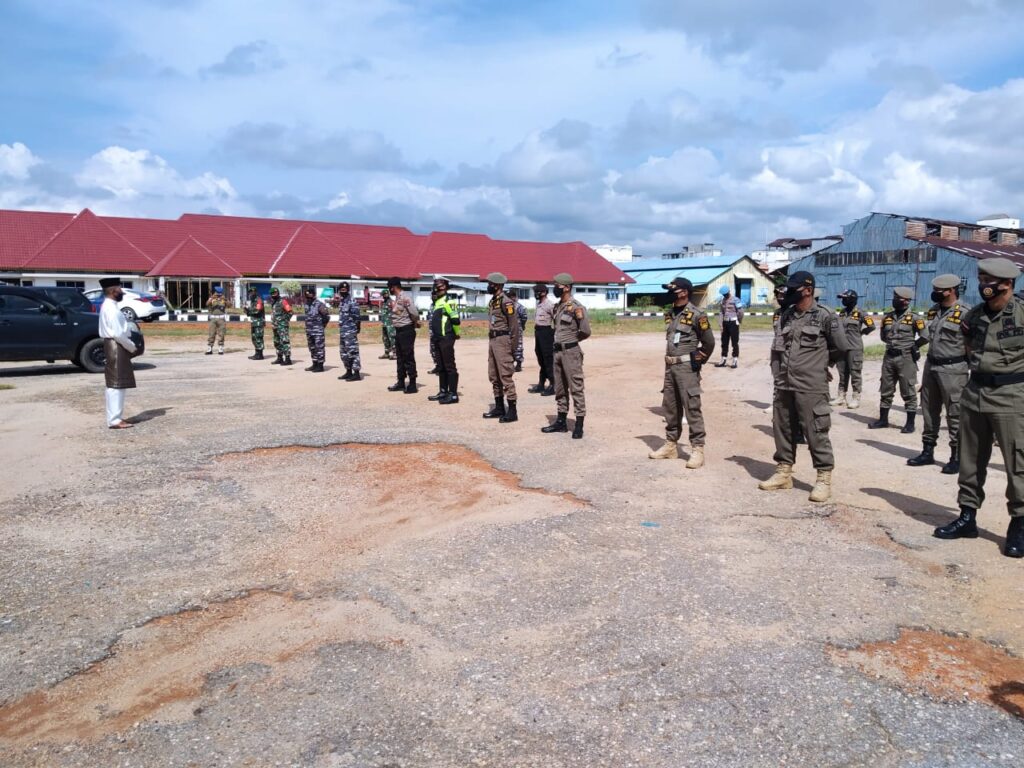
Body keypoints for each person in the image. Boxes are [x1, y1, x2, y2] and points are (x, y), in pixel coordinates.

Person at [934, 257, 1024, 558]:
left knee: (1018, 463)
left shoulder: (1022, 313)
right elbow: (969, 348)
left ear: (1007, 284)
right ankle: (967, 516)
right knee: (970, 459)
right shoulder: (973, 316)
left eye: (989, 281)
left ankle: (1019, 524)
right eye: (981, 280)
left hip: (1012, 395)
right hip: (975, 393)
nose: (983, 286)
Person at [759, 271, 848, 503]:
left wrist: (821, 365)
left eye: (793, 289)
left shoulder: (825, 315)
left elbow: (840, 347)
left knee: (816, 431)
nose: (787, 293)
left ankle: (823, 478)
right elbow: (779, 346)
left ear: (808, 290)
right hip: (784, 383)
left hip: (811, 385)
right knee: (783, 428)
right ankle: (784, 472)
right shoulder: (786, 315)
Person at [648, 277, 715, 467]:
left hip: (687, 368)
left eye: (674, 290)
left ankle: (698, 448)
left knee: (691, 407)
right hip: (670, 367)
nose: (670, 293)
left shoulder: (697, 314)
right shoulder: (670, 313)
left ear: (684, 292)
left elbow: (709, 342)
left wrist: (697, 361)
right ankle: (671, 445)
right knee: (670, 407)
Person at [907, 274, 970, 473]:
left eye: (939, 290)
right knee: (929, 410)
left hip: (954, 370)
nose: (935, 293)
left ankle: (957, 456)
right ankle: (927, 452)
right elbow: (929, 336)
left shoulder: (966, 313)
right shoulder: (934, 311)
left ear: (951, 291)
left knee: (955, 413)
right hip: (931, 367)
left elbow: (973, 344)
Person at [541, 273, 591, 439]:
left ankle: (579, 425)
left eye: (558, 286)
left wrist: (571, 341)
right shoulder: (557, 307)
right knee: (560, 388)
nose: (555, 288)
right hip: (557, 352)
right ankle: (561, 422)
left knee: (576, 388)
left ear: (567, 287)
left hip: (571, 352)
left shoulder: (577, 307)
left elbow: (585, 331)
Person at [869, 287, 926, 433]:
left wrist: (915, 346)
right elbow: (883, 337)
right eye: (894, 297)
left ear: (906, 301)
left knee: (908, 390)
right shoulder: (887, 317)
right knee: (885, 389)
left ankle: (910, 424)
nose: (894, 300)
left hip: (906, 358)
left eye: (897, 298)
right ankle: (883, 420)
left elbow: (926, 336)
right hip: (889, 357)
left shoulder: (915, 318)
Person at [98, 277, 138, 429]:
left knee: (116, 383)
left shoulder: (109, 306)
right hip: (116, 345)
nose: (122, 292)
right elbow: (117, 334)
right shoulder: (111, 309)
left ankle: (115, 418)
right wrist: (131, 346)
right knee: (116, 384)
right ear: (113, 291)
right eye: (120, 289)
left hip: (114, 344)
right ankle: (115, 420)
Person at [482, 272, 521, 422]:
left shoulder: (506, 302)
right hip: (493, 340)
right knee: (493, 375)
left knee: (505, 375)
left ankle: (512, 411)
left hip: (503, 340)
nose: (488, 286)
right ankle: (499, 407)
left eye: (491, 284)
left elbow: (514, 327)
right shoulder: (493, 301)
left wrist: (513, 348)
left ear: (497, 285)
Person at [831, 290, 875, 408]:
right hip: (842, 348)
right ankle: (841, 396)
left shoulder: (861, 313)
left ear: (852, 299)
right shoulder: (842, 313)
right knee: (842, 373)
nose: (843, 300)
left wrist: (862, 332)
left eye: (845, 298)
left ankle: (856, 398)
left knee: (855, 373)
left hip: (855, 348)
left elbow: (871, 326)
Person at [427, 277, 461, 404]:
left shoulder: (449, 301)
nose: (437, 288)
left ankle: (453, 394)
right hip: (437, 338)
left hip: (446, 337)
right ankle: (443, 391)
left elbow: (456, 320)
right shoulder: (437, 302)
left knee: (449, 366)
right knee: (440, 366)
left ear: (445, 287)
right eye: (436, 286)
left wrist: (456, 334)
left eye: (440, 286)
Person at [386, 277, 420, 394]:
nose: (389, 290)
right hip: (399, 331)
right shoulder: (397, 298)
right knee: (400, 358)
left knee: (408, 357)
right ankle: (401, 382)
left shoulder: (405, 297)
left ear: (393, 287)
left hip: (406, 330)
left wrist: (414, 322)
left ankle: (412, 384)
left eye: (389, 287)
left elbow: (414, 313)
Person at [529, 283, 555, 396]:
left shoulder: (549, 305)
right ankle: (541, 384)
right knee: (540, 358)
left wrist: (553, 333)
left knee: (548, 359)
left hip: (546, 333)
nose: (536, 294)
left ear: (544, 292)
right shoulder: (539, 304)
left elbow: (556, 319)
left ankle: (553, 384)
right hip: (538, 332)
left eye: (538, 292)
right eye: (535, 292)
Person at [334, 281, 362, 381]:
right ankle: (348, 371)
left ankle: (356, 373)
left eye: (345, 289)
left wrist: (356, 328)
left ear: (348, 290)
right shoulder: (342, 301)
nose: (343, 291)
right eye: (341, 289)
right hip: (343, 330)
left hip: (350, 330)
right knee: (343, 352)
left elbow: (357, 317)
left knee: (352, 351)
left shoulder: (352, 301)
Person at [714, 285, 743, 369]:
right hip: (725, 323)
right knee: (724, 342)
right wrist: (721, 325)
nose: (725, 295)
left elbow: (740, 312)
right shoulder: (722, 301)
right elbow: (721, 313)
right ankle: (723, 359)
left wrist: (738, 320)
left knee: (734, 342)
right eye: (723, 294)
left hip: (733, 322)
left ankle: (735, 360)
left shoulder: (736, 300)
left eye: (726, 294)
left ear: (729, 292)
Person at [303, 287, 330, 372]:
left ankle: (320, 365)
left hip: (318, 331)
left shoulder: (319, 304)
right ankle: (314, 364)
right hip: (309, 330)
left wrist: (321, 326)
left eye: (310, 295)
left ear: (314, 295)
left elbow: (326, 316)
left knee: (319, 348)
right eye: (307, 295)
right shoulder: (306, 304)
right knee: (312, 348)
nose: (308, 297)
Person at [269, 287, 293, 366]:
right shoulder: (274, 302)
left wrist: (284, 321)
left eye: (275, 293)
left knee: (284, 341)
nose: (273, 295)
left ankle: (288, 359)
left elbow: (290, 312)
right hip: (275, 326)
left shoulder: (283, 301)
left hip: (282, 326)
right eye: (272, 294)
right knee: (277, 342)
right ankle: (279, 358)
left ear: (278, 293)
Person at [510, 288, 528, 372]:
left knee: (518, 345)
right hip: (511, 329)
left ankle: (518, 364)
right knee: (511, 346)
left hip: (517, 329)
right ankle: (512, 363)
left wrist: (522, 325)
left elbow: (524, 317)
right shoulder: (509, 306)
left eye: (513, 297)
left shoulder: (519, 307)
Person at [245, 286, 266, 360]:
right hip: (254, 322)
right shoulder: (252, 301)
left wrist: (249, 310)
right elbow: (251, 313)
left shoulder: (259, 300)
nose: (251, 293)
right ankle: (257, 353)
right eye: (250, 292)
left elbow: (257, 311)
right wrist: (246, 310)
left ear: (256, 292)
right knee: (254, 338)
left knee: (258, 338)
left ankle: (260, 354)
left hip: (259, 322)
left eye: (253, 291)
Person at [205, 286, 226, 355]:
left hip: (221, 319)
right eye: (217, 293)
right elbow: (207, 304)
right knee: (211, 333)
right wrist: (212, 298)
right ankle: (210, 348)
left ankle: (220, 348)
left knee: (221, 334)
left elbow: (230, 305)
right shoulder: (212, 299)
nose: (218, 294)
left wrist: (225, 299)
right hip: (213, 319)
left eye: (219, 293)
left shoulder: (223, 299)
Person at [379, 289, 396, 360]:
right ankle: (387, 353)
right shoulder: (383, 303)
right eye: (384, 295)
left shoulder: (392, 302)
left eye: (386, 294)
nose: (385, 296)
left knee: (392, 338)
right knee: (385, 338)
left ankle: (395, 353)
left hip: (391, 323)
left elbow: (396, 312)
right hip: (384, 323)